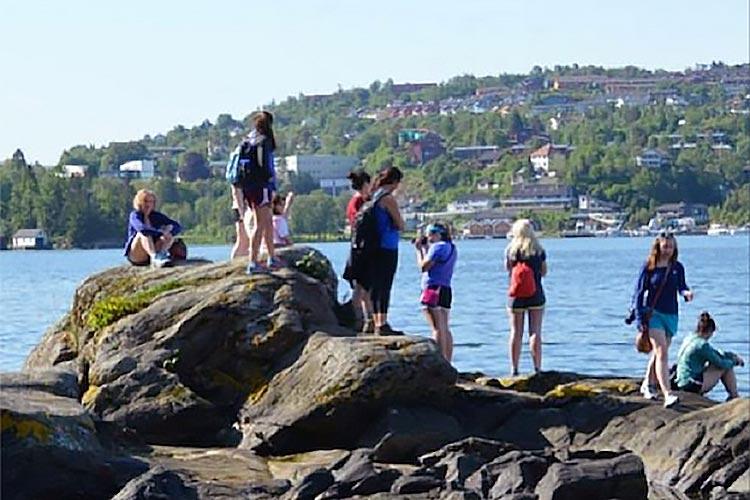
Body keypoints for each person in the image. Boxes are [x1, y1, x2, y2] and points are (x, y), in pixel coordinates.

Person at [633, 232, 693, 408]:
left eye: (671, 246)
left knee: (660, 353)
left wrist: (686, 293)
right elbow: (638, 293)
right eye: (665, 246)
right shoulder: (648, 267)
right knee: (662, 352)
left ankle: (647, 383)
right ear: (658, 246)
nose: (668, 250)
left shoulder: (677, 267)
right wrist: (639, 318)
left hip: (671, 315)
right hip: (654, 315)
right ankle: (667, 394)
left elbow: (681, 286)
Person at [236, 111, 279, 273]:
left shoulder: (247, 140)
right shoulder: (264, 141)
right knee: (260, 223)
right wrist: (271, 186)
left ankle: (271, 256)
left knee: (267, 221)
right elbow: (267, 167)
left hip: (248, 187)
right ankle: (253, 262)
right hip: (261, 187)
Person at [505, 219, 546, 376]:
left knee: (516, 332)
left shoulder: (511, 251)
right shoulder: (538, 250)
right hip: (536, 294)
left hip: (516, 295)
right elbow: (544, 272)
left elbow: (508, 270)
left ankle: (514, 369)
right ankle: (537, 368)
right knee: (535, 332)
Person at [674, 312, 744, 400]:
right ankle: (734, 396)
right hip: (691, 384)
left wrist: (731, 355)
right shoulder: (702, 345)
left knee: (724, 362)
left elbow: (716, 353)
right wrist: (735, 362)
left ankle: (734, 395)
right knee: (725, 367)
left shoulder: (690, 338)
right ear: (710, 331)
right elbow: (720, 363)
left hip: (681, 381)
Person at [369, 166, 405, 335]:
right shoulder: (388, 198)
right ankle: (382, 323)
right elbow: (400, 224)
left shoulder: (374, 195)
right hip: (388, 246)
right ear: (395, 181)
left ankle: (377, 321)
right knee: (385, 285)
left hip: (374, 246)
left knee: (376, 285)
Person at [415, 223, 457, 361]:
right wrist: (426, 248)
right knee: (445, 327)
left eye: (432, 233)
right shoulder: (451, 247)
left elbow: (423, 267)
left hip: (433, 288)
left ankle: (439, 361)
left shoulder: (438, 247)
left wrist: (419, 251)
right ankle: (448, 361)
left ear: (440, 234)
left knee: (437, 328)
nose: (429, 236)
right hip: (445, 288)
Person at [343, 170, 374, 333]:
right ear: (365, 184)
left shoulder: (356, 201)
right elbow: (360, 222)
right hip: (361, 248)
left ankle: (366, 319)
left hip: (357, 247)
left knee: (362, 286)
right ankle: (360, 318)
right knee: (362, 286)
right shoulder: (359, 202)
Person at [124, 189, 182, 268]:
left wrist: (168, 231)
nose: (148, 204)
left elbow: (177, 226)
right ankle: (154, 257)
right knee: (143, 234)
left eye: (151, 202)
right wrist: (160, 233)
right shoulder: (135, 215)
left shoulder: (156, 216)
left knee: (168, 230)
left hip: (154, 249)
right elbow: (142, 229)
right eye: (145, 201)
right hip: (137, 254)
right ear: (139, 202)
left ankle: (161, 255)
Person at [230, 185, 250, 259]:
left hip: (244, 207)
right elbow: (236, 192)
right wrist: (241, 211)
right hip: (241, 207)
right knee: (242, 240)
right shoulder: (238, 176)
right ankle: (234, 261)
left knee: (247, 240)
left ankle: (246, 259)